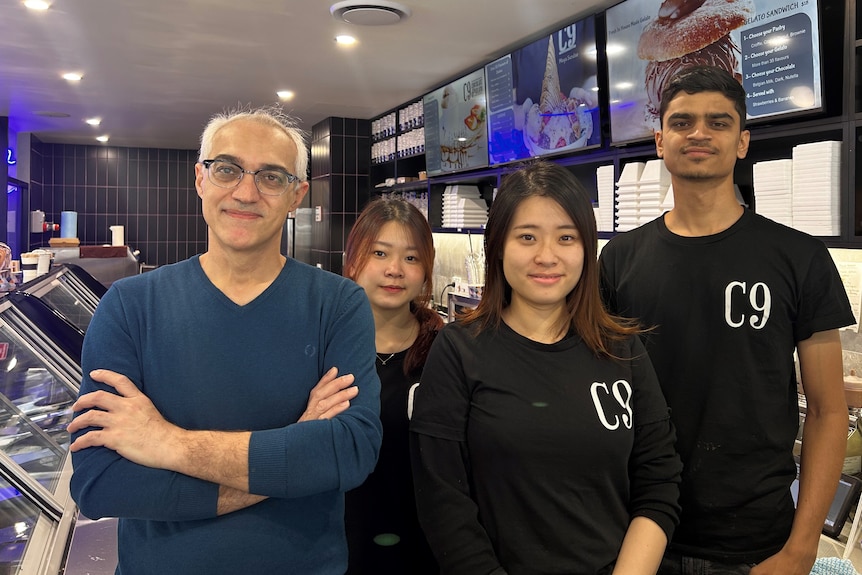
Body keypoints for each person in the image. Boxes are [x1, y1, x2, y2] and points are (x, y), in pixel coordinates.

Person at [66, 105, 383, 574]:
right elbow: (102, 483)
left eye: (271, 177)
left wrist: (168, 443)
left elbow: (349, 452)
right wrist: (294, 451)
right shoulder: (129, 306)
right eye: (228, 169)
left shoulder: (337, 304)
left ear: (297, 195)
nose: (246, 192)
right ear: (200, 179)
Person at [599, 65, 854, 575]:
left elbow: (829, 412)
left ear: (742, 142)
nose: (698, 133)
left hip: (758, 544)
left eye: (718, 122)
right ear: (660, 140)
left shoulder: (799, 257)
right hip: (635, 533)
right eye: (682, 121)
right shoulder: (619, 259)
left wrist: (802, 548)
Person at [410, 160, 683, 575]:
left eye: (566, 237)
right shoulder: (459, 349)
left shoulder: (622, 350)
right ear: (498, 245)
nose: (547, 256)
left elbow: (659, 481)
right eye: (527, 237)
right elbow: (443, 499)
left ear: (586, 249)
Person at [342, 198, 443, 574]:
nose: (395, 270)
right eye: (379, 253)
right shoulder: (323, 349)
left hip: (425, 547)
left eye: (411, 258)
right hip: (337, 541)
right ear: (353, 261)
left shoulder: (446, 353)